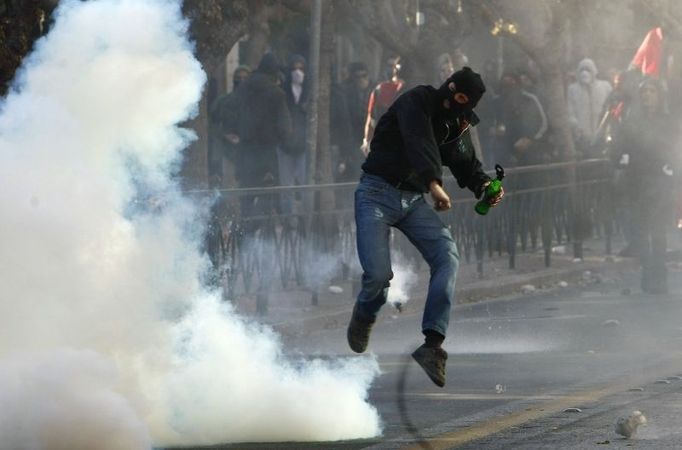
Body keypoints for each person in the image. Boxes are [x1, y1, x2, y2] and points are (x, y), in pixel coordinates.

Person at [346, 67, 504, 387]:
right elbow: (419, 141)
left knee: (448, 256)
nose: (459, 107)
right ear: (449, 88)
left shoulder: (456, 123)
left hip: (412, 201)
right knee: (378, 276)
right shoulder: (415, 101)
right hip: (376, 193)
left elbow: (464, 161)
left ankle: (433, 345)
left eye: (465, 104)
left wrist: (485, 185)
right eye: (457, 98)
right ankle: (364, 315)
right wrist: (433, 183)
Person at [614, 78, 676, 294]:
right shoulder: (632, 122)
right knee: (641, 232)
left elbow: (675, 151)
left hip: (660, 183)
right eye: (644, 92)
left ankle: (659, 276)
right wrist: (620, 160)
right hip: (638, 183)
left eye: (652, 91)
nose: (648, 95)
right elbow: (617, 148)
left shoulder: (669, 122)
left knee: (658, 232)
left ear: (659, 95)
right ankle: (648, 274)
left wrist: (673, 173)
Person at [278, 54, 309, 215]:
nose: (298, 72)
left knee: (305, 186)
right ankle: (288, 219)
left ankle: (306, 220)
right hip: (285, 147)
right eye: (295, 69)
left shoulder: (310, 91)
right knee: (286, 187)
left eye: (301, 69)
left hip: (303, 146)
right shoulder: (283, 90)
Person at [566, 58, 612, 157]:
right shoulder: (573, 90)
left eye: (588, 69)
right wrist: (577, 128)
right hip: (582, 139)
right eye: (582, 69)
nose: (584, 72)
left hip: (602, 136)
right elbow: (570, 113)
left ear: (594, 71)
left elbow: (611, 109)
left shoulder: (605, 86)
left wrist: (607, 130)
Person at [361, 55, 404, 156]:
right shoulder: (380, 89)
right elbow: (371, 117)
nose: (392, 69)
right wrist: (367, 141)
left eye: (393, 66)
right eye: (389, 65)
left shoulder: (382, 89)